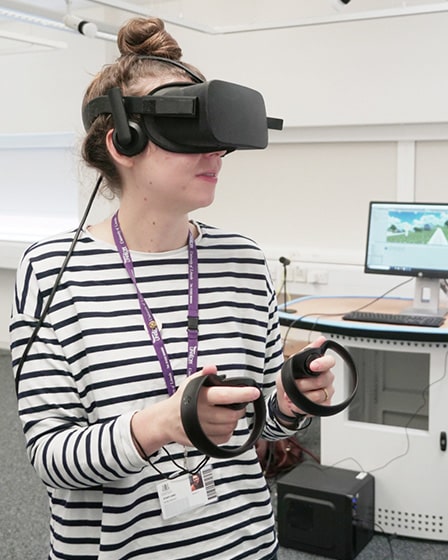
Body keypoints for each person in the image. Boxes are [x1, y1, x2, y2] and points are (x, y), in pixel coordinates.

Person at [9, 17, 336, 560]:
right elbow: (51, 458)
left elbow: (258, 425)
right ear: (124, 141)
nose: (217, 155)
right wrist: (160, 424)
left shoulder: (243, 261)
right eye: (194, 137)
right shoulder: (52, 272)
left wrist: (289, 399)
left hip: (246, 544)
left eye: (220, 140)